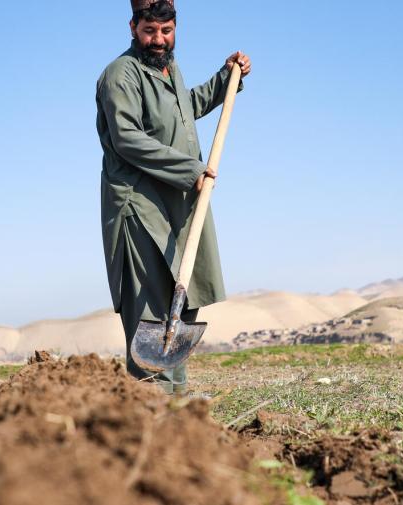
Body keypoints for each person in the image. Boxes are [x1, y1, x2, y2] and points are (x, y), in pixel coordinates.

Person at [95, 0, 251, 394]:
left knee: (182, 295)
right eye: (149, 31)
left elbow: (185, 109)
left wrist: (226, 78)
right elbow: (127, 139)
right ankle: (152, 397)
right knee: (149, 301)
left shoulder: (169, 69)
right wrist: (190, 170)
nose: (159, 40)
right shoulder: (120, 75)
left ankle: (173, 397)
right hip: (139, 204)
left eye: (166, 31)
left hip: (176, 202)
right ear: (133, 27)